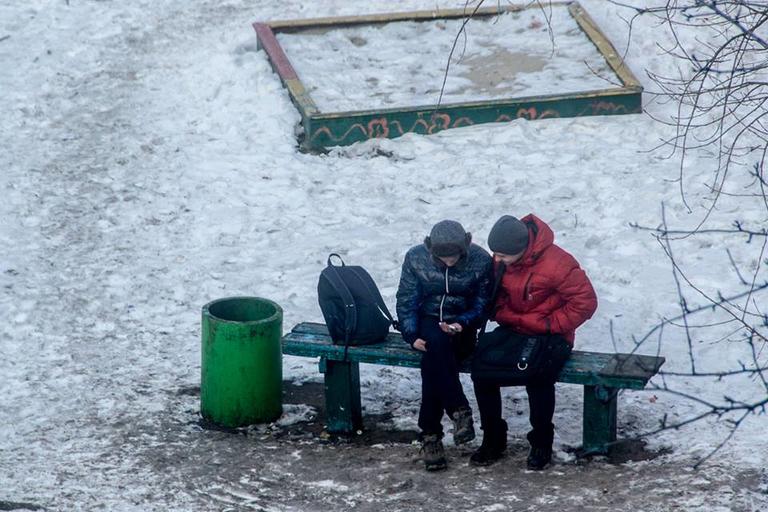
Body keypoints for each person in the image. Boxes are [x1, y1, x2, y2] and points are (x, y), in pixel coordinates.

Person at [470, 214, 597, 470]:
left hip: (552, 336)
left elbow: (585, 303)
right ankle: (493, 438)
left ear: (521, 250)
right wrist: (505, 313)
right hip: (515, 328)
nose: (496, 260)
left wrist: (549, 324)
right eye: (495, 254)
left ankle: (541, 441)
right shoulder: (504, 262)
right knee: (481, 370)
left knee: (538, 376)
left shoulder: (558, 264)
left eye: (502, 255)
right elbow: (498, 296)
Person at [396, 219, 493, 471]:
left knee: (434, 358)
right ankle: (458, 410)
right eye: (442, 258)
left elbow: (482, 304)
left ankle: (430, 436)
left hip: (462, 326)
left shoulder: (481, 261)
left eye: (454, 257)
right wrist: (410, 334)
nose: (449, 262)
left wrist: (462, 323)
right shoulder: (416, 258)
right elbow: (407, 299)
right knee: (435, 346)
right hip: (428, 321)